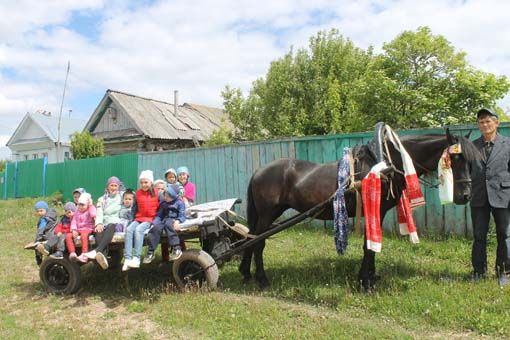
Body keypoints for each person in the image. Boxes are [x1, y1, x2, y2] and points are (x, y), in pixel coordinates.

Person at [470, 108, 510, 286]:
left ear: (496, 123)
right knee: (479, 235)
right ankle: (478, 271)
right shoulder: (472, 145)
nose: (484, 125)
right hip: (478, 196)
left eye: (488, 121)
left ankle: (504, 272)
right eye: (481, 122)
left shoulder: (507, 144)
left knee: (504, 234)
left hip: (503, 195)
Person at [83, 176, 124, 270]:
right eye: (111, 185)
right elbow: (99, 212)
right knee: (98, 230)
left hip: (116, 222)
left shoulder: (121, 197)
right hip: (104, 222)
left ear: (118, 187)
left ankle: (97, 250)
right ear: (107, 187)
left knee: (111, 225)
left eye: (115, 185)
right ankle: (103, 256)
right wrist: (98, 223)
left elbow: (130, 197)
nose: (113, 188)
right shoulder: (102, 199)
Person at [123, 170, 159, 270]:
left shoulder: (157, 193)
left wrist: (158, 220)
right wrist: (131, 221)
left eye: (146, 182)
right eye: (142, 182)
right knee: (129, 229)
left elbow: (161, 207)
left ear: (151, 182)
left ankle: (137, 258)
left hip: (149, 219)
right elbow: (134, 209)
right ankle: (128, 258)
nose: (143, 185)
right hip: (139, 218)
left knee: (139, 230)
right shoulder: (137, 194)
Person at [143, 184, 185, 264]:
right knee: (155, 229)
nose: (165, 198)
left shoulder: (179, 203)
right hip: (164, 219)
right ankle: (150, 252)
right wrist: (154, 223)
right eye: (164, 195)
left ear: (173, 196)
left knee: (169, 225)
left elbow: (182, 215)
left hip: (172, 219)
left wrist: (178, 221)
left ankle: (176, 248)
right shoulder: (163, 203)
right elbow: (159, 214)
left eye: (167, 196)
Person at [67, 193, 96, 263]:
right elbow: (74, 220)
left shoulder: (90, 209)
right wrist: (74, 229)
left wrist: (91, 205)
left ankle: (84, 254)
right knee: (68, 236)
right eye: (79, 204)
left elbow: (93, 214)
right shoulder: (77, 211)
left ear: (87, 204)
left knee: (84, 236)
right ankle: (72, 253)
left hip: (87, 228)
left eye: (83, 205)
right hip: (78, 229)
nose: (81, 207)